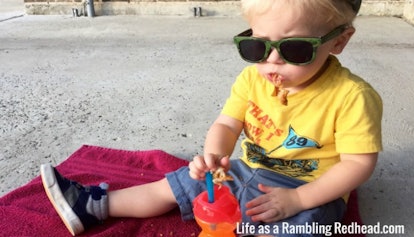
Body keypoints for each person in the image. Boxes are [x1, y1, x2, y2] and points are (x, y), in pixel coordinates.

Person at [40, 0, 383, 236]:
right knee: (176, 185)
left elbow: (356, 165)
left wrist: (298, 200)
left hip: (307, 189)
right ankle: (95, 205)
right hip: (242, 172)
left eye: (295, 49)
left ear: (339, 41)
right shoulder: (252, 80)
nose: (272, 62)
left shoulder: (352, 96)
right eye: (257, 47)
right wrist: (214, 155)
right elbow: (227, 124)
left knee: (307, 224)